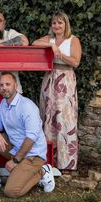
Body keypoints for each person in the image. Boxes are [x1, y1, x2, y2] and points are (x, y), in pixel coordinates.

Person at [0, 72, 55, 197]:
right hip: (15, 148)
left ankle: (43, 172)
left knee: (11, 191)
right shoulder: (4, 104)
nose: (4, 87)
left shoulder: (27, 106)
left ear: (15, 86)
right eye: (1, 85)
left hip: (32, 155)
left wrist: (16, 161)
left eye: (8, 84)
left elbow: (31, 138)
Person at [32, 11, 82, 170]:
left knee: (65, 120)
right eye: (54, 23)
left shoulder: (73, 40)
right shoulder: (49, 39)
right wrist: (52, 45)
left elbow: (75, 62)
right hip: (50, 79)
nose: (57, 26)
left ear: (66, 24)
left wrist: (60, 54)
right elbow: (34, 43)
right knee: (48, 117)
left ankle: (66, 164)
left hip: (65, 80)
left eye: (60, 23)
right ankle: (48, 162)